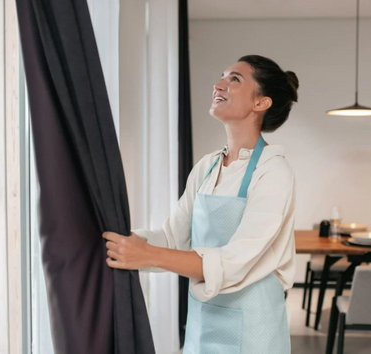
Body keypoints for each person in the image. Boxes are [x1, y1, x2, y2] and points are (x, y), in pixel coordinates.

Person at [104, 54, 298, 354]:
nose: (218, 84)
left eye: (235, 79)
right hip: (202, 323)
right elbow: (172, 238)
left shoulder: (273, 172)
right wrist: (123, 242)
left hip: (253, 332)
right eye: (222, 76)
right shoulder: (207, 167)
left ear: (261, 103)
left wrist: (147, 254)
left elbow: (233, 261)